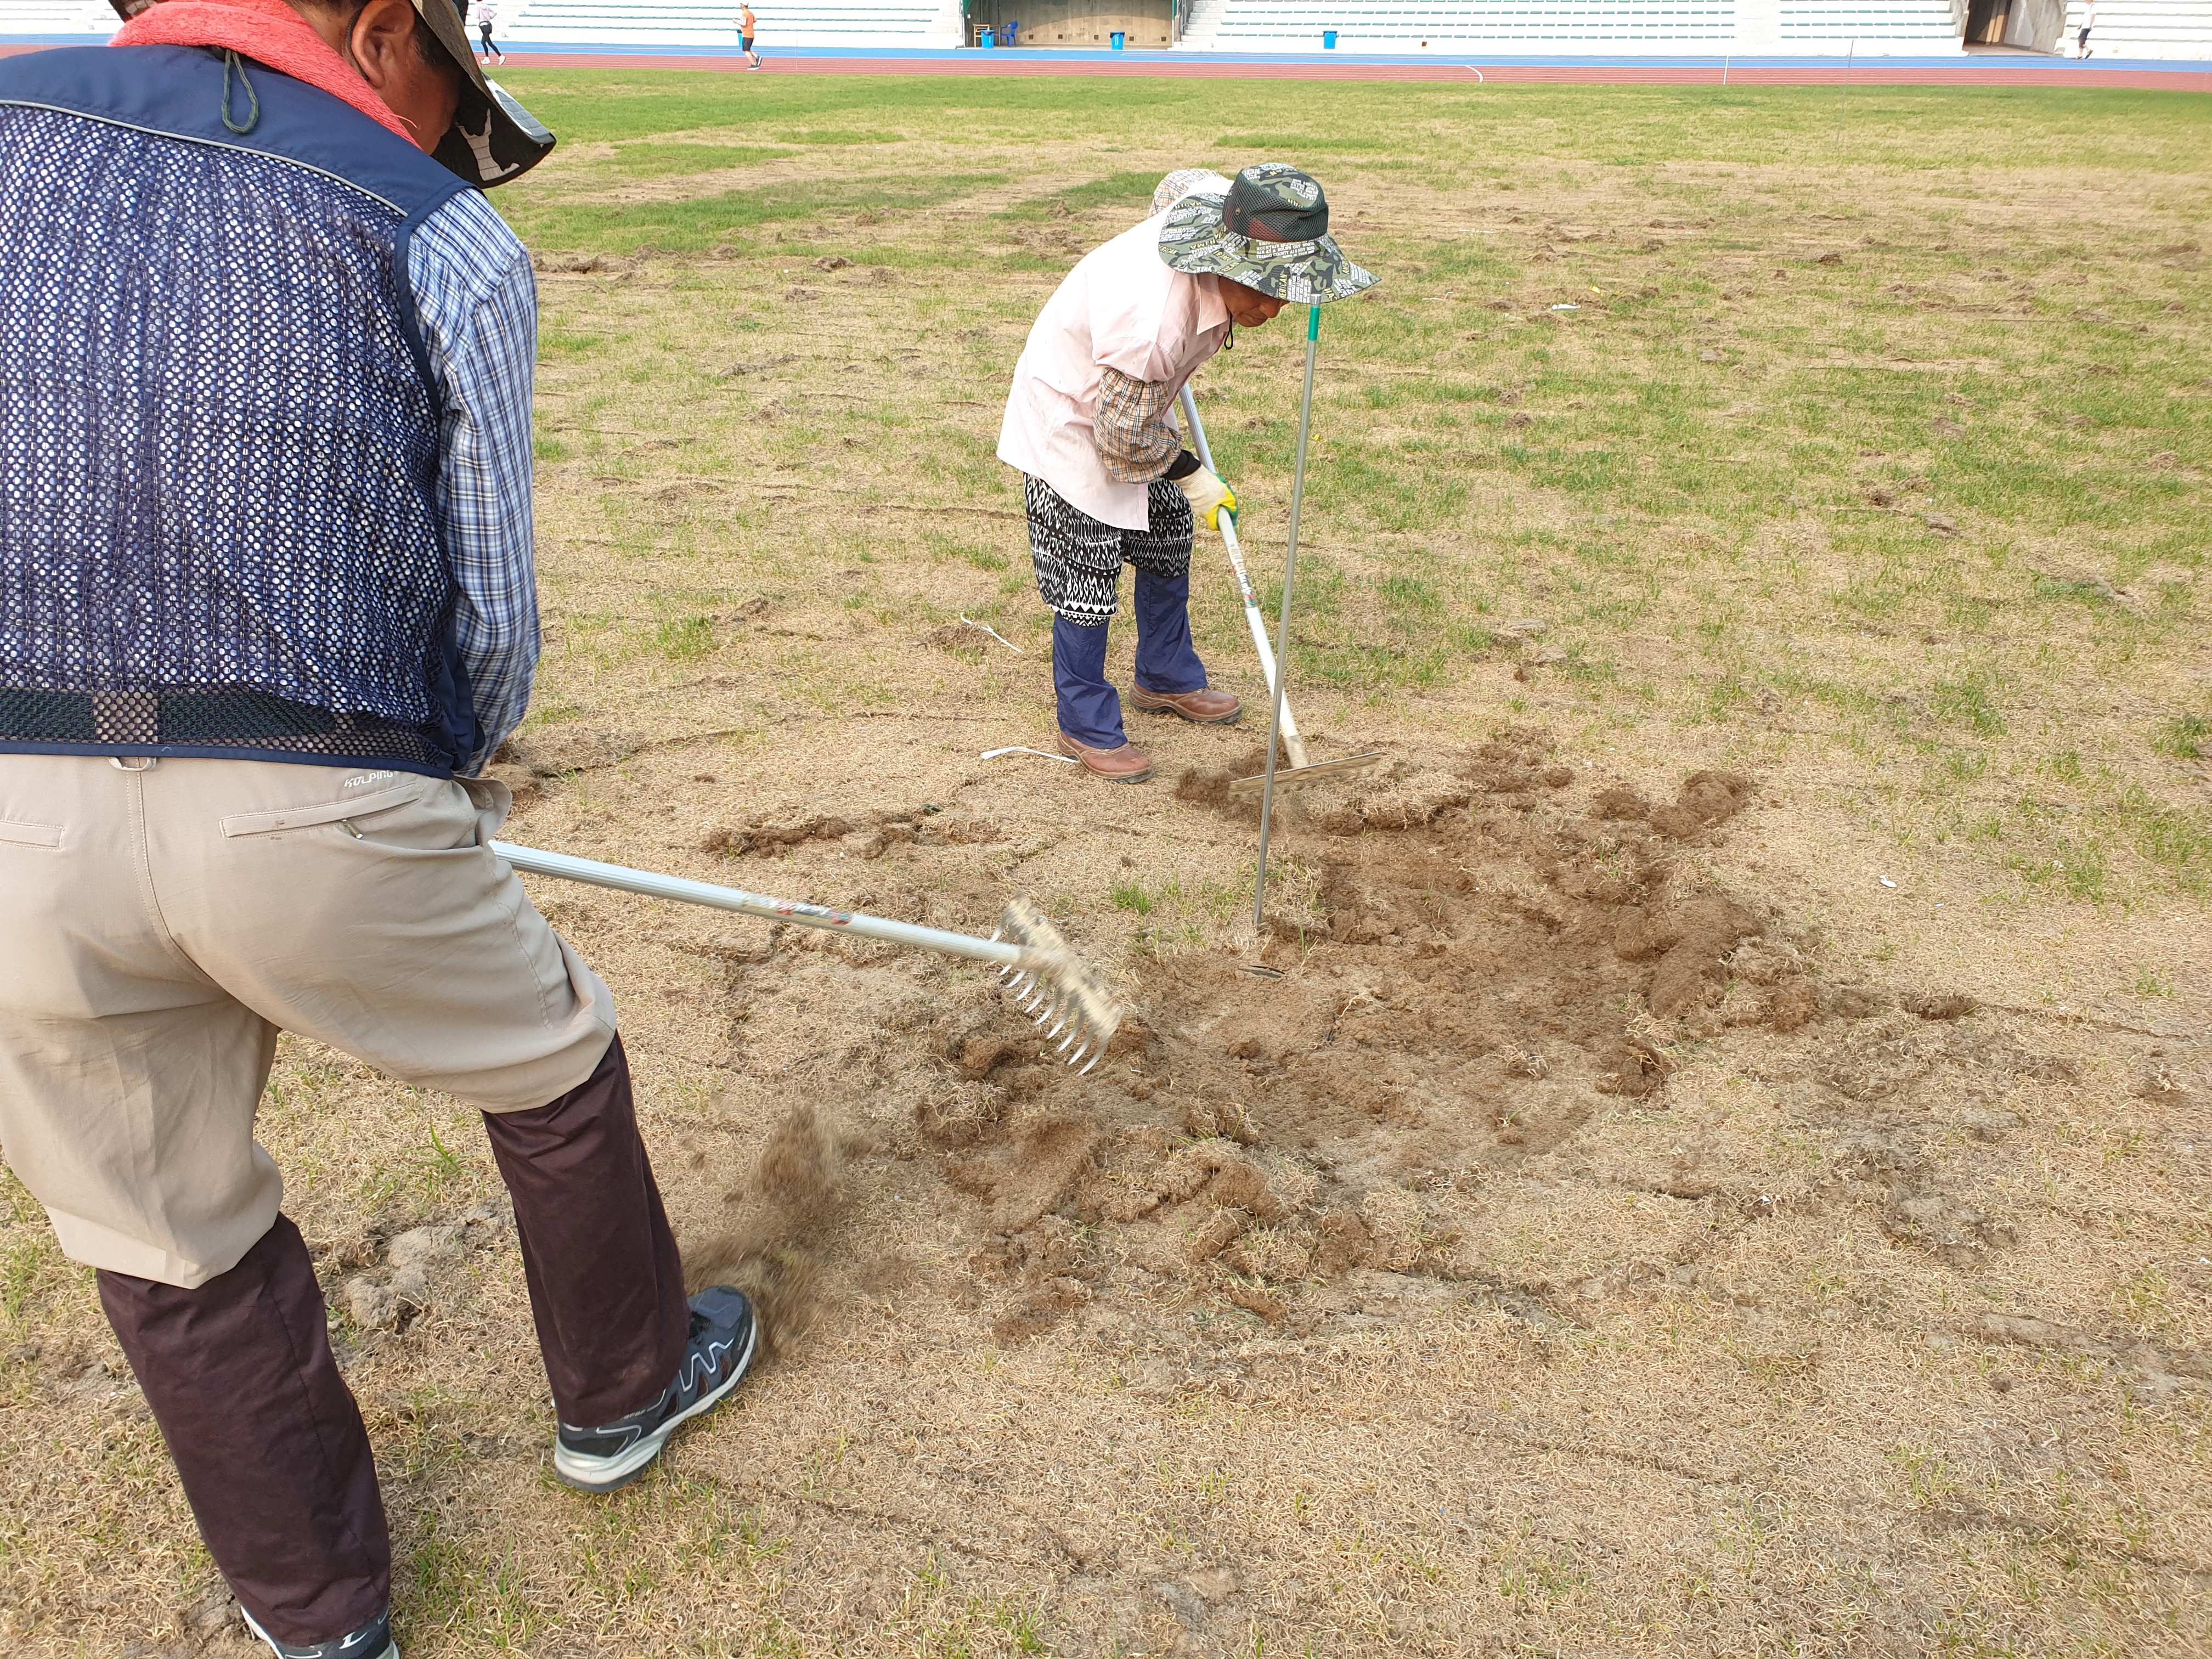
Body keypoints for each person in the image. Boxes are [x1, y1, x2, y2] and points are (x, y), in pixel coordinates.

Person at [0, 4, 757, 1658]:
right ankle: (623, 1389)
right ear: (376, 23)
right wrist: (452, 775)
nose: (436, 126)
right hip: (316, 790)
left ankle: (318, 1612)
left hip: (7, 822)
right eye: (445, 84)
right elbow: (488, 600)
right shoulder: (442, 228)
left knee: (161, 1226)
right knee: (551, 1057)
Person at [996, 163, 1376, 782]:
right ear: (1225, 266)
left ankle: (1164, 675)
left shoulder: (1221, 207)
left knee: (1166, 532)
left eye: (1289, 289)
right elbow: (1119, 437)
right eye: (1267, 288)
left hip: (1135, 404)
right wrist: (1194, 474)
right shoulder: (1154, 326)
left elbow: (1178, 184)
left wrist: (1178, 476)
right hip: (1074, 414)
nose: (1277, 307)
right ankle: (1084, 720)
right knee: (1088, 575)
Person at [475, 0, 503, 64]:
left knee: (489, 43)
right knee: (483, 42)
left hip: (483, 25)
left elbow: (477, 16)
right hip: (488, 25)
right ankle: (487, 58)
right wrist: (489, 18)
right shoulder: (486, 6)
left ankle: (500, 56)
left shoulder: (477, 6)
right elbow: (495, 12)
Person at [739, 1, 760, 68]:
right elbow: (755, 20)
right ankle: (757, 57)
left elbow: (744, 24)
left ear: (743, 5)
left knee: (746, 50)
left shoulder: (744, 14)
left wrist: (736, 22)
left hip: (747, 34)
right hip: (751, 33)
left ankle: (754, 64)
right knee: (747, 49)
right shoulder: (750, 13)